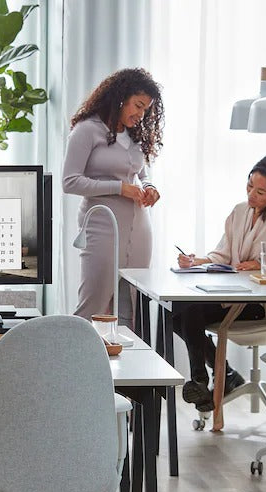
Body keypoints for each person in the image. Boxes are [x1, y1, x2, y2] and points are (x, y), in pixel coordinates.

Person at [173, 152, 266, 412]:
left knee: (188, 310)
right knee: (174, 313)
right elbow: (223, 254)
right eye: (250, 185)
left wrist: (264, 263)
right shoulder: (239, 211)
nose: (251, 195)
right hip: (232, 295)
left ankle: (201, 380)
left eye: (260, 192)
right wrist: (196, 260)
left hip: (260, 304)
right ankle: (224, 375)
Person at [62, 67, 164, 327]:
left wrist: (149, 186)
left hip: (139, 230)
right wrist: (120, 188)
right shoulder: (87, 131)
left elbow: (141, 170)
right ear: (120, 98)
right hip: (102, 226)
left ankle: (127, 367)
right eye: (137, 106)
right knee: (93, 305)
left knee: (132, 308)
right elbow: (70, 181)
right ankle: (79, 364)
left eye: (145, 110)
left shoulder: (134, 134)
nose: (140, 115)